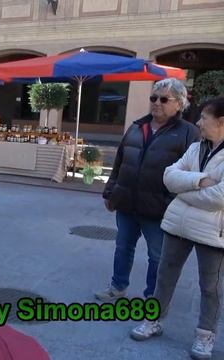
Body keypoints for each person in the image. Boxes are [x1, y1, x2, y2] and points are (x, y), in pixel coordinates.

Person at [129, 97, 224, 360]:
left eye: (204, 117)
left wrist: (185, 190)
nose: (198, 122)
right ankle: (153, 320)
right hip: (179, 224)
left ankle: (205, 336)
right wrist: (201, 181)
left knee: (210, 287)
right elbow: (169, 176)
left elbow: (220, 197)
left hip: (213, 233)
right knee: (165, 276)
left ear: (221, 121)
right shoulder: (196, 148)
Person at [96, 78, 200, 301]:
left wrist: (169, 202)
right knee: (123, 248)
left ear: (179, 104)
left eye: (164, 99)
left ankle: (152, 298)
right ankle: (117, 287)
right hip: (126, 203)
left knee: (157, 256)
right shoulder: (137, 126)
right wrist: (110, 191)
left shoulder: (188, 133)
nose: (157, 103)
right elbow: (120, 161)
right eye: (153, 98)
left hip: (158, 210)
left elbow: (193, 173)